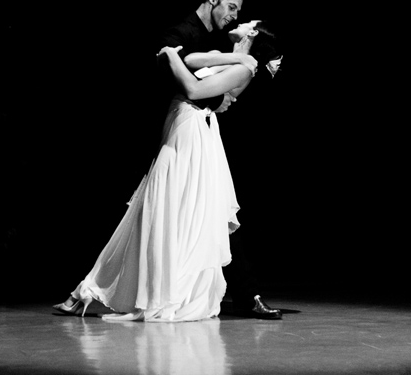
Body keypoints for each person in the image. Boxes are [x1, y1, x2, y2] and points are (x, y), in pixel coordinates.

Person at [52, 19, 278, 322]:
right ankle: (89, 289)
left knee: (170, 211)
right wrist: (234, 53)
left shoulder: (245, 68)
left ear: (251, 35)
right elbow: (194, 60)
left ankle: (116, 290)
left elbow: (194, 87)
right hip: (182, 124)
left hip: (194, 132)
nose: (239, 19)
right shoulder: (234, 58)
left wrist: (175, 56)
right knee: (156, 208)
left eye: (246, 20)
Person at [152, 0, 283, 320]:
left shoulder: (232, 54)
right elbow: (196, 75)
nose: (236, 17)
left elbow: (210, 88)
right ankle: (238, 292)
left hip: (203, 129)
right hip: (188, 128)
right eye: (233, 8)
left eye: (241, 17)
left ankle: (241, 292)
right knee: (185, 210)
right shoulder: (193, 34)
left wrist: (227, 80)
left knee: (211, 213)